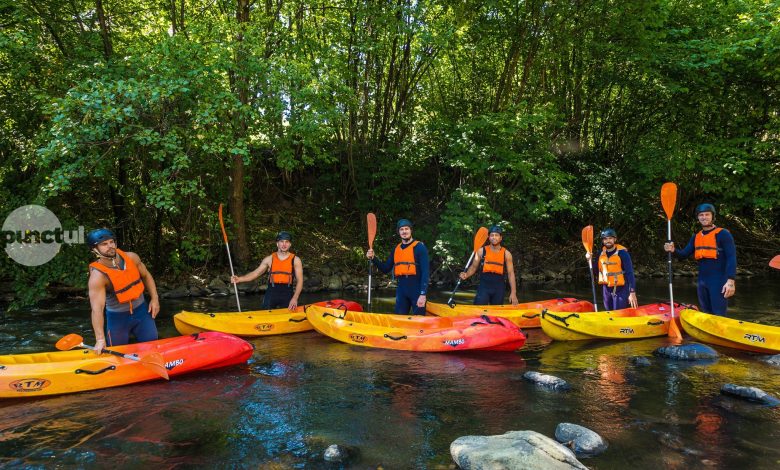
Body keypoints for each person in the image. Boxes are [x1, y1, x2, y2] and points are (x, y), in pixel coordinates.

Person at [87, 229, 160, 352]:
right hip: (117, 319)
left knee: (152, 348)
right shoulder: (98, 277)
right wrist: (100, 339)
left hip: (142, 312)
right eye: (104, 244)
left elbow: (146, 275)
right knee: (117, 354)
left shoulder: (131, 257)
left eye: (111, 242)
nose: (110, 246)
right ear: (94, 249)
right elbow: (97, 309)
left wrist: (155, 298)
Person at [664, 203, 736, 316]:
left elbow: (731, 257)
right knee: (706, 313)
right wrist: (673, 250)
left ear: (713, 216)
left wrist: (731, 281)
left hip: (718, 281)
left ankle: (720, 332)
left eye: (707, 214)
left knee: (718, 314)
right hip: (702, 281)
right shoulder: (696, 237)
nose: (704, 217)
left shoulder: (723, 234)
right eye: (701, 215)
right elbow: (683, 254)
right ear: (698, 217)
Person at [366, 219, 430, 315]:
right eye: (401, 229)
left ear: (411, 230)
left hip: (416, 290)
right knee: (399, 320)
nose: (404, 231)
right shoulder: (396, 249)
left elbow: (425, 272)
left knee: (419, 321)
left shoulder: (420, 247)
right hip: (401, 290)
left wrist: (423, 294)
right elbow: (385, 268)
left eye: (406, 229)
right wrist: (373, 258)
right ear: (399, 232)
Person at [232, 231, 304, 310]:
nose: (284, 244)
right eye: (281, 241)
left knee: (289, 316)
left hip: (287, 292)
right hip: (272, 292)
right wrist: (239, 279)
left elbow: (300, 281)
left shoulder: (296, 260)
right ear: (277, 244)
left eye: (287, 242)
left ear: (290, 244)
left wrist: (295, 298)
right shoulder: (269, 259)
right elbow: (256, 273)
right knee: (265, 312)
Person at [458, 225, 519, 305]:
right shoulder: (481, 251)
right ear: (489, 237)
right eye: (492, 235)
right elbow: (473, 267)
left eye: (496, 235)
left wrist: (513, 293)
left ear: (501, 238)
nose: (494, 237)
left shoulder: (506, 254)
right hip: (484, 285)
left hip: (499, 287)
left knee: (496, 313)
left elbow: (511, 274)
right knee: (479, 308)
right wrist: (466, 275)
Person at [595, 228, 638, 310]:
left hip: (620, 288)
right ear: (603, 241)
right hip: (606, 288)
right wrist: (588, 259)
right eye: (605, 239)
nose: (608, 241)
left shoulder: (623, 254)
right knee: (608, 312)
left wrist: (632, 292)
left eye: (610, 238)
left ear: (615, 239)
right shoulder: (600, 254)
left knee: (619, 312)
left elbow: (630, 273)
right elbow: (595, 270)